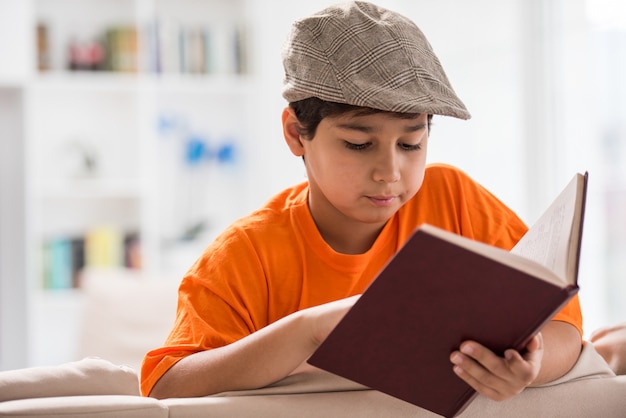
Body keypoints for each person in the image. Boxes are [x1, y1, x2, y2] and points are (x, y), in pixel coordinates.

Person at [141, 1, 583, 402]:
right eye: (358, 144)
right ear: (297, 134)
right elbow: (166, 384)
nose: (389, 172)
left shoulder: (456, 200)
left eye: (411, 144)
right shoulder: (246, 253)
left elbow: (566, 328)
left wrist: (531, 365)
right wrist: (309, 331)